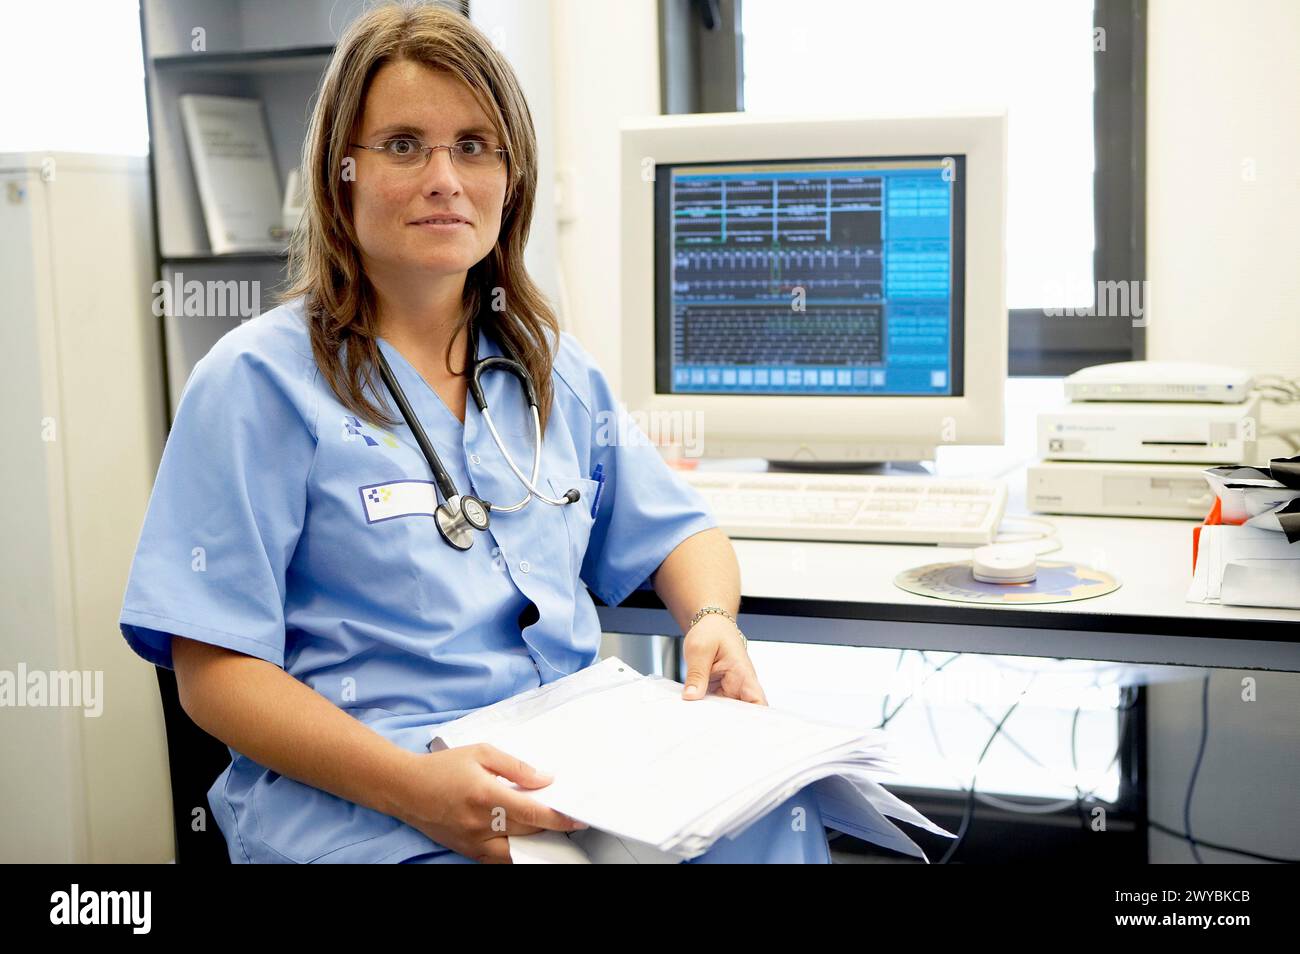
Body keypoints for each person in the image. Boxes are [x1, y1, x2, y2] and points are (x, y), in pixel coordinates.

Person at [119, 0, 830, 864]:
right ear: (340, 172)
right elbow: (214, 676)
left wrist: (712, 620)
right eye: (404, 145)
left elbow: (681, 531)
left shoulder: (548, 368)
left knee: (774, 826)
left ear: (510, 176)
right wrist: (413, 788)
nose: (444, 178)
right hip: (369, 797)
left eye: (474, 146)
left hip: (571, 768)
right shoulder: (253, 384)